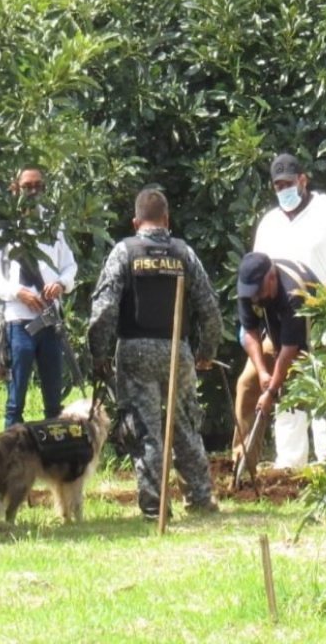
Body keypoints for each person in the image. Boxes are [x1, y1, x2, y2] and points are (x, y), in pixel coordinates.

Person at [87, 188, 222, 520]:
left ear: (136, 222)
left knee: (145, 428)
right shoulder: (183, 253)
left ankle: (155, 504)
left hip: (134, 351)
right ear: (167, 220)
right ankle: (201, 497)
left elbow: (103, 310)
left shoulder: (124, 252)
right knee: (185, 423)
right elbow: (210, 309)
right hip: (178, 349)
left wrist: (99, 354)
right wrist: (206, 351)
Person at [237, 152, 326, 469]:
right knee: (281, 391)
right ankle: (289, 463)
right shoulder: (270, 223)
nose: (283, 189)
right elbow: (256, 274)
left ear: (303, 180)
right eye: (277, 185)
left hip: (324, 320)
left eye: (288, 183)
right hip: (279, 324)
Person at [0, 167, 78, 429]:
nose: (34, 192)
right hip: (18, 322)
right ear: (15, 189)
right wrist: (18, 293)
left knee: (53, 399)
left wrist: (61, 284)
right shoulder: (4, 231)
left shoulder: (53, 225)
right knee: (16, 401)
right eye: (28, 186)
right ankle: (9, 455)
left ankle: (54, 454)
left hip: (49, 321)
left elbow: (70, 266)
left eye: (39, 186)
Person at [235, 253, 319, 470]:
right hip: (278, 335)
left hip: (316, 337)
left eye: (258, 292)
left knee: (303, 391)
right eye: (250, 293)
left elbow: (290, 350)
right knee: (247, 383)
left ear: (271, 278)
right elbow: (250, 332)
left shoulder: (294, 293)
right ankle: (242, 463)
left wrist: (271, 392)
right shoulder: (248, 288)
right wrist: (263, 373)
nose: (254, 298)